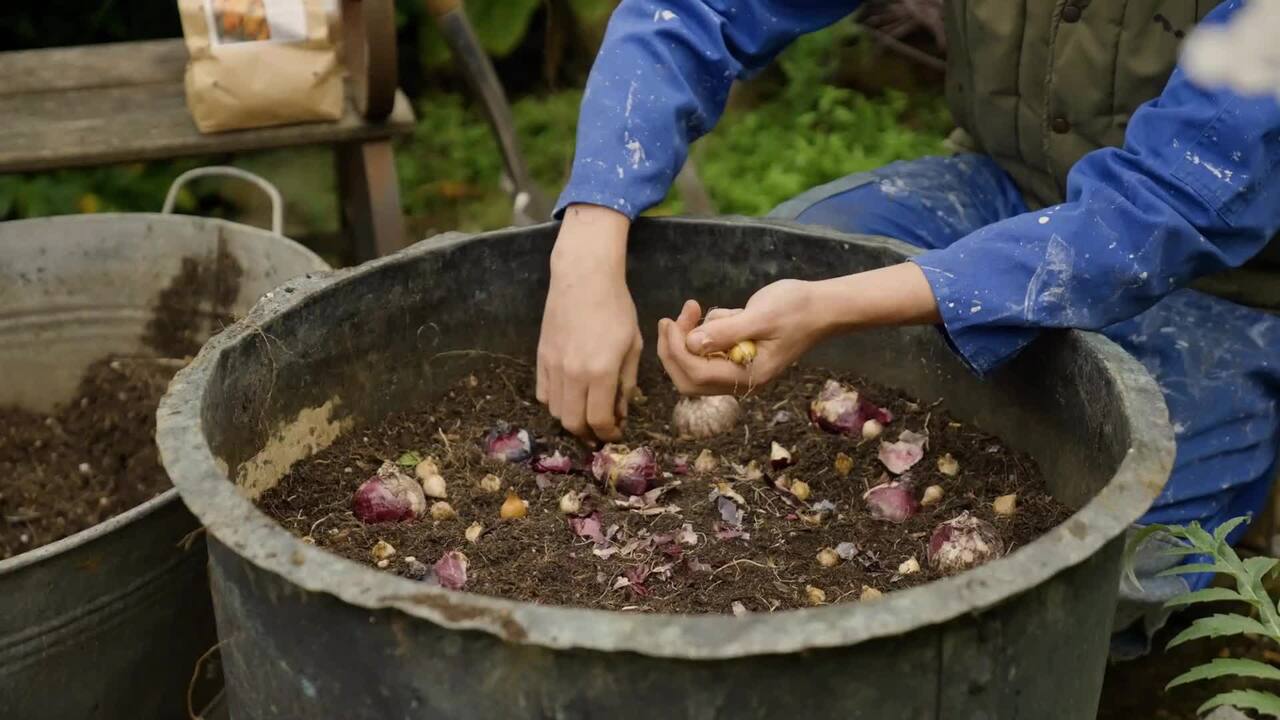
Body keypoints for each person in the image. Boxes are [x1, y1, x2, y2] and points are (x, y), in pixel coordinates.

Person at [536, 0, 1280, 645]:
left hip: (1224, 282)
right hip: (1009, 187)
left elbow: (1169, 205)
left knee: (1113, 565)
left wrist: (830, 307)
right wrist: (589, 242)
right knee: (767, 270)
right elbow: (701, 9)